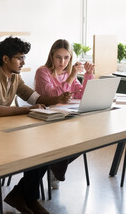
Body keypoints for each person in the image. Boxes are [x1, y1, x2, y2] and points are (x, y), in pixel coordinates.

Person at [0, 37, 71, 214]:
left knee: (42, 149)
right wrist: (26, 110)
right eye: (20, 58)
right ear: (6, 59)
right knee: (36, 150)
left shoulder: (15, 77)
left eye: (24, 58)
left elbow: (36, 98)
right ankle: (27, 198)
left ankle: (26, 197)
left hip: (3, 132)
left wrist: (57, 99)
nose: (23, 62)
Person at [34, 39, 95, 188]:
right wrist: (72, 77)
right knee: (70, 139)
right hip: (45, 121)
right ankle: (54, 168)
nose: (62, 62)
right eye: (58, 57)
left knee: (85, 140)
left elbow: (82, 95)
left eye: (66, 57)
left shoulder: (68, 74)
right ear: (51, 56)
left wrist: (88, 74)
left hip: (66, 119)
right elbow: (52, 95)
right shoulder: (43, 72)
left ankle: (54, 168)